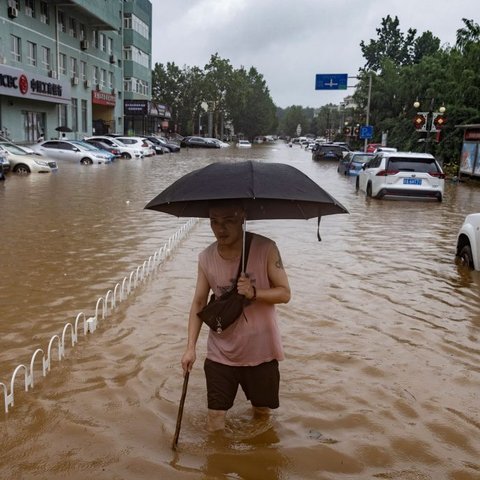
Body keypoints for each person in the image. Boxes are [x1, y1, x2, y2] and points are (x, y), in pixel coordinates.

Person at [181, 200, 291, 432]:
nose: (220, 229)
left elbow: (285, 293)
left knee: (262, 414)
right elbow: (199, 302)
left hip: (262, 351)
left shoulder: (266, 248)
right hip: (221, 351)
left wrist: (254, 292)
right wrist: (190, 347)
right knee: (215, 418)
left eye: (228, 221)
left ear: (242, 217)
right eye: (214, 222)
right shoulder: (206, 257)